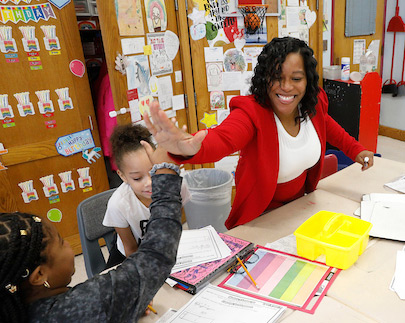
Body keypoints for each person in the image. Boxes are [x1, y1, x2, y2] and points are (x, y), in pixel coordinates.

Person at [144, 36, 375, 230]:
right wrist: (191, 149)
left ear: (308, 81)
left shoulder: (313, 103)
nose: (286, 87)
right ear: (264, 78)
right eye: (276, 77)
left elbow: (327, 126)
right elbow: (224, 138)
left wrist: (356, 149)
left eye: (296, 79)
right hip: (260, 216)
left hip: (300, 208)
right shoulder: (251, 113)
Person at [0, 144, 183, 323]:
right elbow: (156, 255)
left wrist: (126, 305)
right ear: (39, 276)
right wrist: (166, 174)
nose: (68, 246)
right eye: (62, 242)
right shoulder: (86, 305)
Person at [102, 123, 189, 267]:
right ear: (122, 176)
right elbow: (130, 249)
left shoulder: (176, 186)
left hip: (164, 251)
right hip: (130, 257)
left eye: (153, 171)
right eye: (137, 178)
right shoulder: (118, 204)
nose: (149, 182)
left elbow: (177, 226)